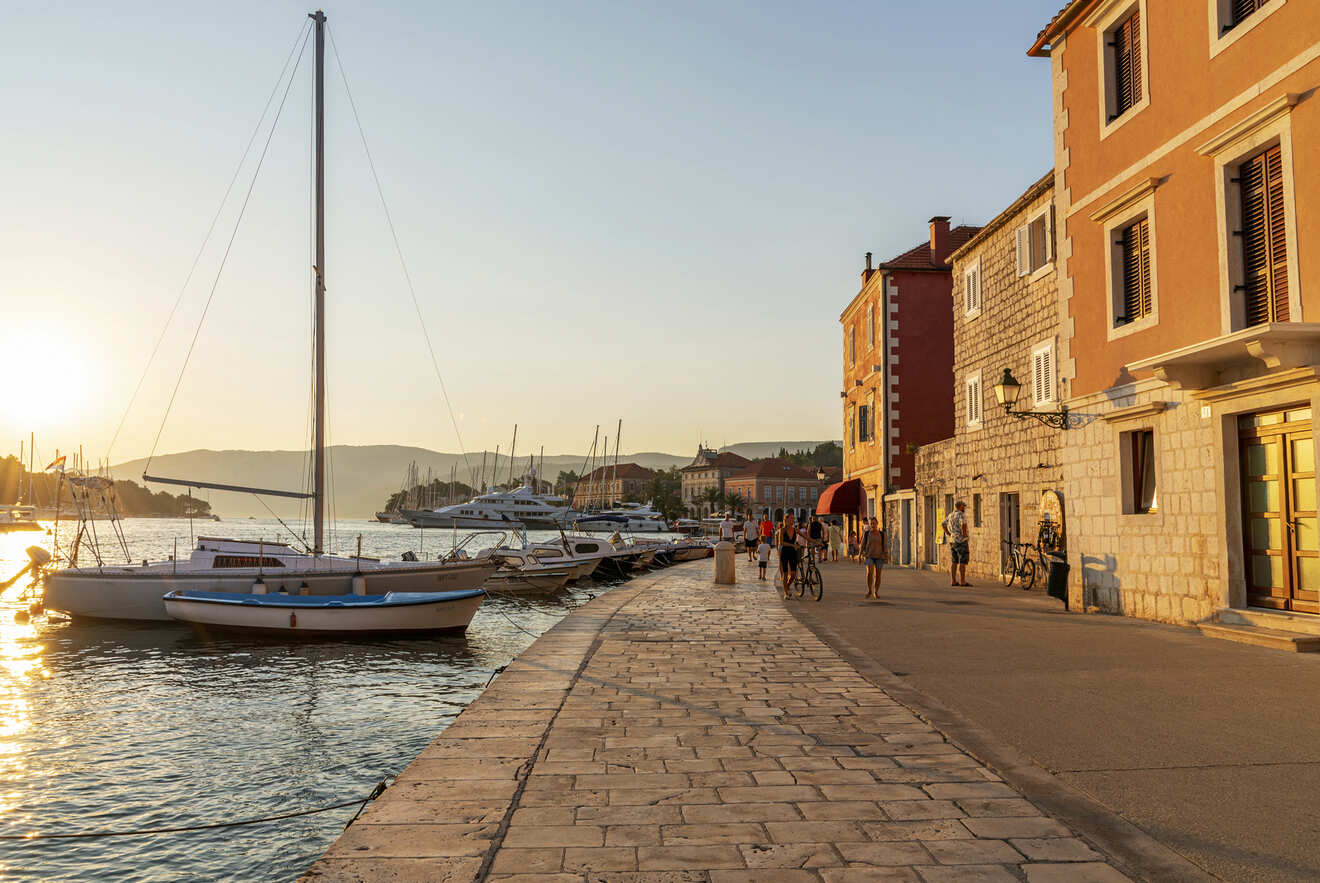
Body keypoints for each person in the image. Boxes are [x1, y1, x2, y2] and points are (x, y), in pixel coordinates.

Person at [941, 500, 971, 587]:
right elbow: (963, 524)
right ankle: (962, 581)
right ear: (960, 506)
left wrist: (948, 533)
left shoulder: (950, 515)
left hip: (952, 540)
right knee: (962, 561)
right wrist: (964, 534)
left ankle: (953, 580)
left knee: (954, 561)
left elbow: (943, 524)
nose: (964, 508)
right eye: (963, 506)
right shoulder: (961, 514)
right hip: (961, 541)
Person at [861, 516, 886, 598]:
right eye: (871, 523)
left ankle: (876, 592)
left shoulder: (882, 534)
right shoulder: (867, 533)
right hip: (869, 556)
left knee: (878, 575)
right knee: (869, 573)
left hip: (879, 556)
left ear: (877, 524)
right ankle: (869, 590)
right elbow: (863, 544)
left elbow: (885, 545)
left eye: (874, 523)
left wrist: (886, 555)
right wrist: (860, 554)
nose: (872, 525)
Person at [777, 512, 798, 597]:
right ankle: (786, 592)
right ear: (786, 519)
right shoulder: (782, 530)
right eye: (791, 518)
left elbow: (806, 536)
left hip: (793, 553)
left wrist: (817, 543)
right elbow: (781, 542)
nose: (793, 520)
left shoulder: (795, 529)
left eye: (793, 518)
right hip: (784, 552)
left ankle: (787, 586)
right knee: (785, 574)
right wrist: (792, 545)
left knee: (793, 574)